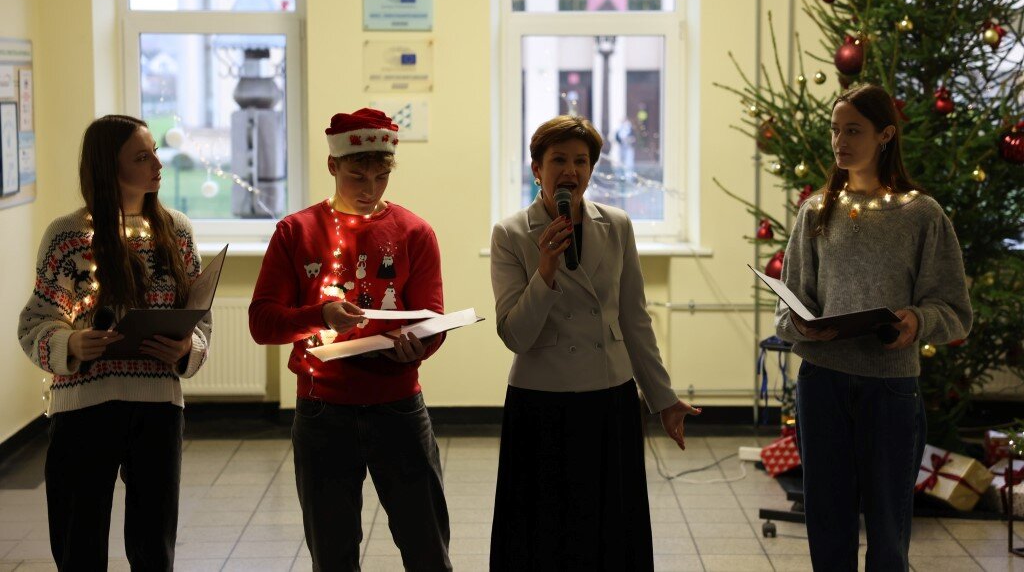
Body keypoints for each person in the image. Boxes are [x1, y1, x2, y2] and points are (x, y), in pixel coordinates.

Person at [489, 115, 700, 571]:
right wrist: (545, 270)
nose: (571, 170)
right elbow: (515, 335)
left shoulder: (617, 225)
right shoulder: (510, 233)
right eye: (558, 160)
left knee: (608, 529)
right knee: (544, 532)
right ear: (537, 169)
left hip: (608, 397)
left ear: (591, 170)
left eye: (581, 161)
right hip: (541, 400)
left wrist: (663, 398)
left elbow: (634, 319)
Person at [775, 84, 972, 571]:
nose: (840, 142)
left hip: (890, 389)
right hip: (822, 383)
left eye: (853, 131)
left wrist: (917, 321)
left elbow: (954, 309)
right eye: (835, 130)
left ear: (885, 135)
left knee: (888, 527)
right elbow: (787, 308)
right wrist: (803, 325)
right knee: (828, 522)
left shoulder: (920, 214)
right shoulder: (816, 211)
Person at [249, 108, 450, 572]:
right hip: (323, 409)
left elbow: (432, 319)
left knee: (426, 545)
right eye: (357, 176)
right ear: (332, 165)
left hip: (398, 405)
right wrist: (319, 314)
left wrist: (418, 347)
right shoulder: (296, 231)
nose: (369, 189)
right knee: (333, 552)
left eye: (381, 177)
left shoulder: (414, 232)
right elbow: (263, 323)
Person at [18, 114, 211, 571]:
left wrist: (188, 349)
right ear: (109, 166)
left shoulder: (176, 231)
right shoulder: (67, 236)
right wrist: (71, 344)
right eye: (142, 157)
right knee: (79, 544)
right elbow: (35, 323)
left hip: (159, 408)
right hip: (83, 408)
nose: (158, 165)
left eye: (155, 152)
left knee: (153, 546)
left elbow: (200, 321)